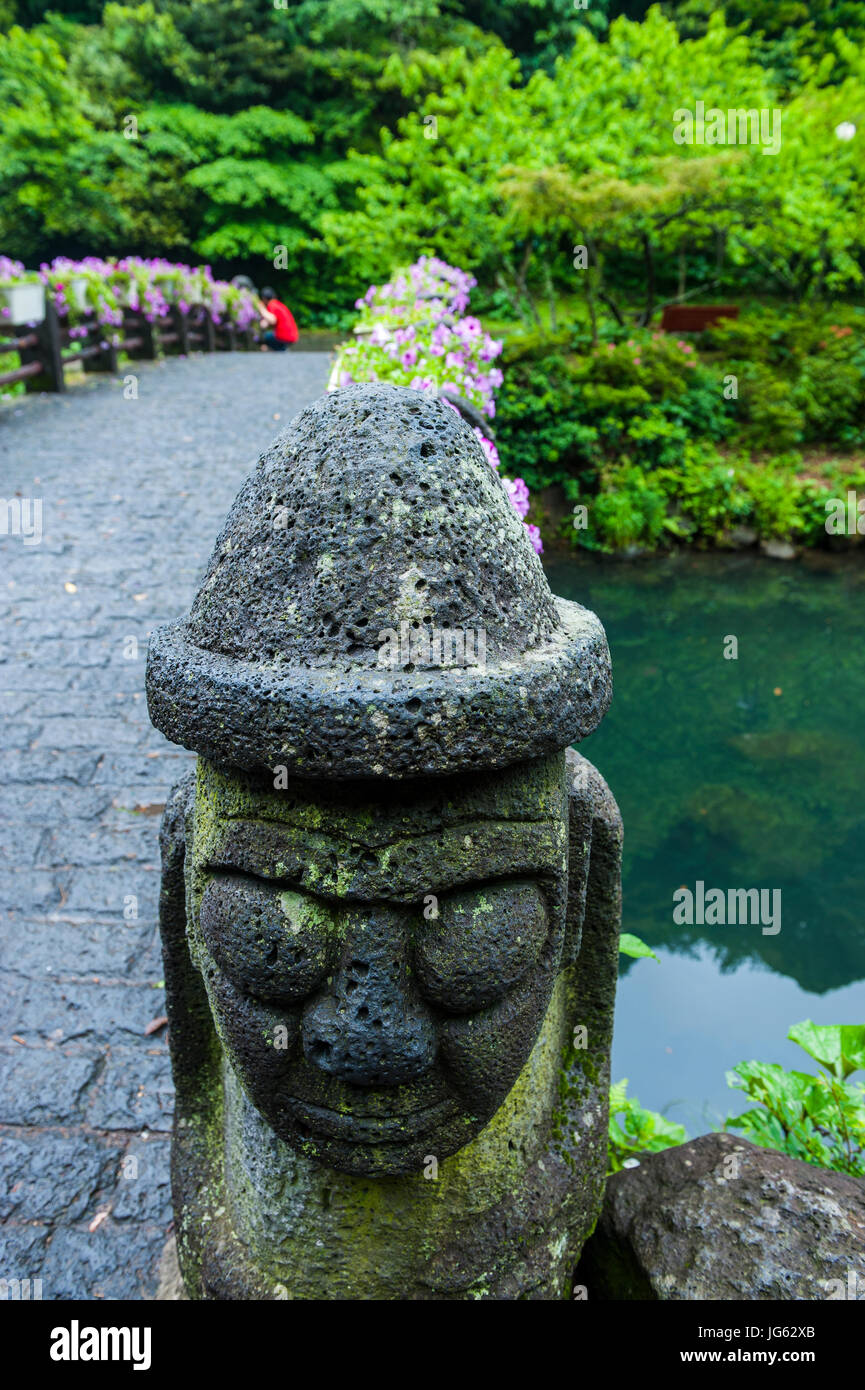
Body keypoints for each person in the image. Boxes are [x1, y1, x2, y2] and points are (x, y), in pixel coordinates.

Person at [258, 286, 298, 351]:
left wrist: (261, 309)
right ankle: (281, 350)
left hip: (283, 336)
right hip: (292, 336)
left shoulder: (272, 305)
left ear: (264, 298)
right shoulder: (279, 304)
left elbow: (273, 320)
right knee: (269, 336)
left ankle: (280, 351)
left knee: (263, 337)